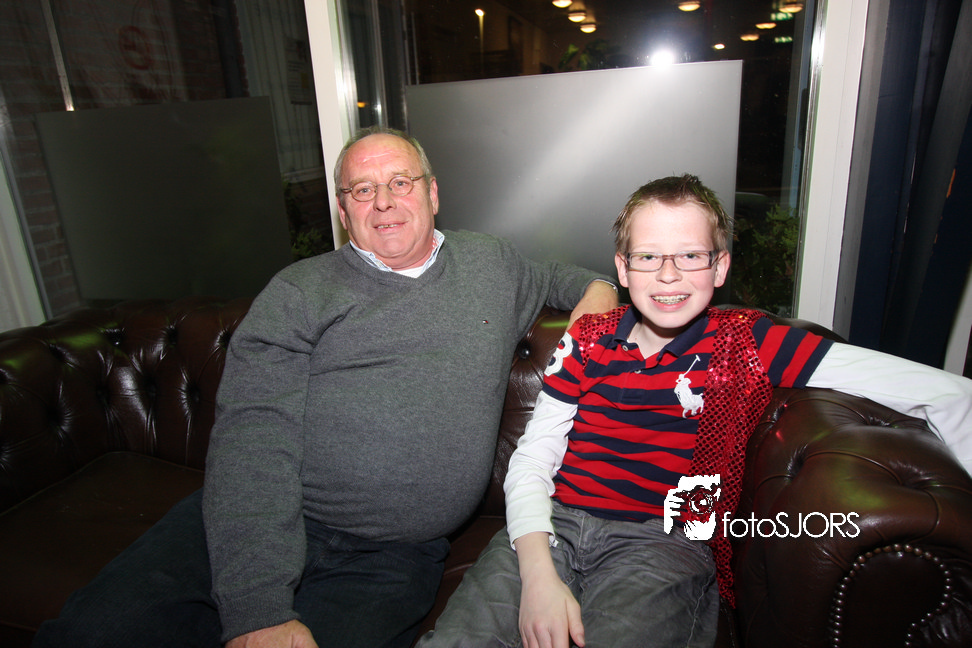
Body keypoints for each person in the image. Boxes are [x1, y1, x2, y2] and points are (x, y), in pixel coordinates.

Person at [31, 126, 617, 648]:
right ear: (343, 209)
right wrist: (258, 608)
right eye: (362, 190)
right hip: (274, 513)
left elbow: (564, 277)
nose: (383, 201)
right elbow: (252, 442)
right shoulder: (298, 292)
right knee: (91, 633)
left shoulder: (489, 263)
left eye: (400, 182)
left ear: (432, 193)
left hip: (392, 557)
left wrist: (598, 294)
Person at [416, 174, 972, 648]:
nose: (668, 274)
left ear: (720, 266)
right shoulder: (588, 340)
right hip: (551, 526)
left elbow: (946, 392)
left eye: (690, 255)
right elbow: (533, 458)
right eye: (648, 256)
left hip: (662, 541)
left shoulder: (749, 341)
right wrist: (538, 573)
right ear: (623, 268)